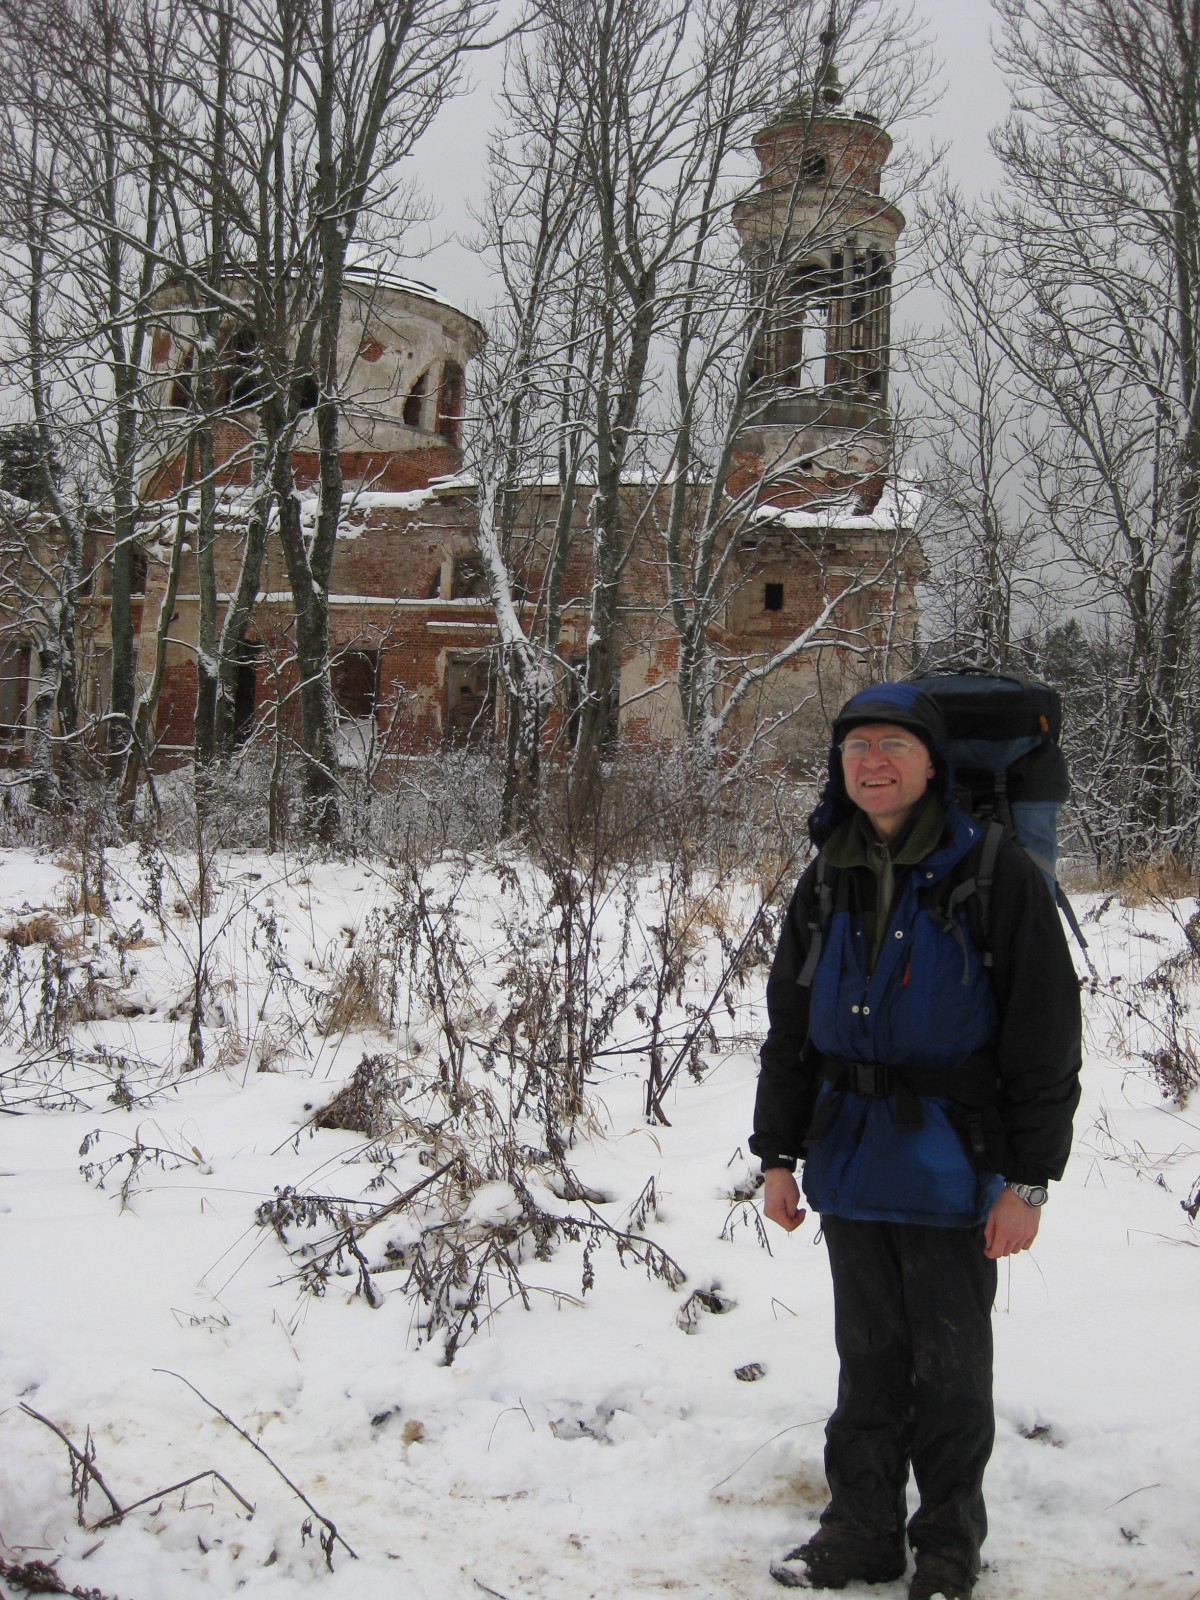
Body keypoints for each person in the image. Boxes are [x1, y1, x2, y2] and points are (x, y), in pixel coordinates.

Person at [751, 681, 1081, 1599]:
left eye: (894, 744)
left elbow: (1046, 1037)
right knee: (867, 1364)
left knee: (950, 1371)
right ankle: (860, 1533)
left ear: (933, 764)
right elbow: (790, 1030)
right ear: (840, 766)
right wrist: (776, 1155)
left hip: (954, 1161)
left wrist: (1029, 1180)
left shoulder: (995, 872)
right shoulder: (828, 875)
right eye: (857, 746)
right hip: (852, 1159)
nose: (874, 761)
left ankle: (946, 1547)